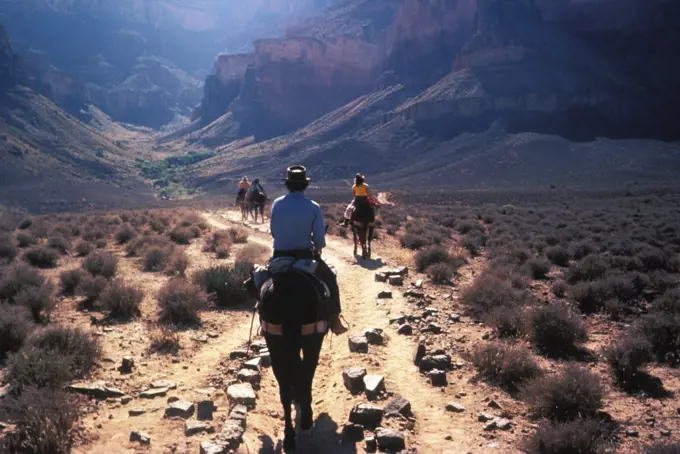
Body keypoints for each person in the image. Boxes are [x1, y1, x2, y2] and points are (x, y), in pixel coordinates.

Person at [270, 165, 348, 335]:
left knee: (262, 280)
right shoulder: (313, 206)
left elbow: (274, 230)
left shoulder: (277, 204)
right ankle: (334, 318)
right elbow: (319, 237)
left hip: (280, 255)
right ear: (305, 185)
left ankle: (264, 320)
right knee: (330, 277)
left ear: (288, 185)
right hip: (304, 256)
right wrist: (318, 249)